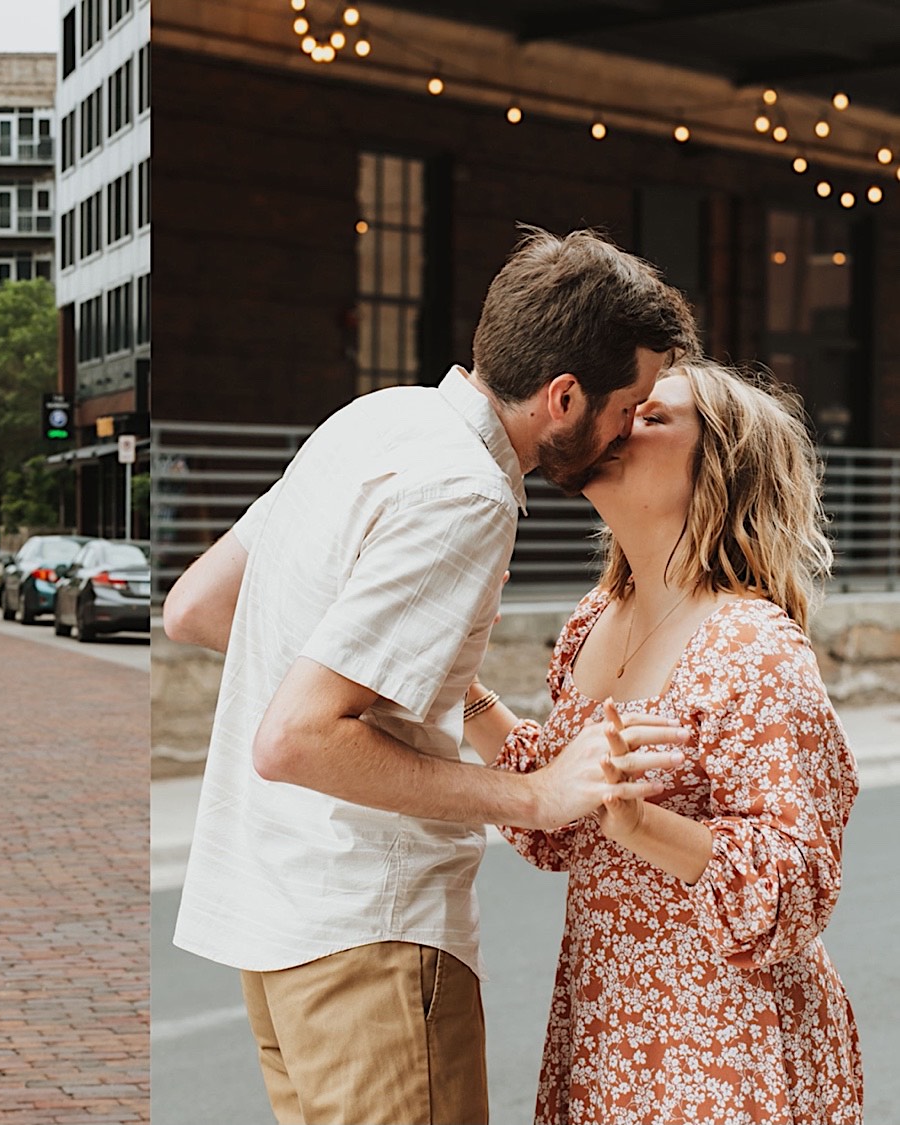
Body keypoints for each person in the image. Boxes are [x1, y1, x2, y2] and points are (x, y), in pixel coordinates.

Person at [162, 226, 701, 1125]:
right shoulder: (470, 492)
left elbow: (198, 607)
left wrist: (428, 683)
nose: (625, 428)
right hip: (372, 934)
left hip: (279, 927)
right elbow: (296, 736)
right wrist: (534, 794)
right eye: (627, 403)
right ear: (563, 396)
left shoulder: (372, 419)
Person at [465, 361, 862, 1124]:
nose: (617, 423)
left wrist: (642, 823)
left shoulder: (751, 648)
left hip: (721, 1037)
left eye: (652, 417)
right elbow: (557, 823)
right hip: (611, 1021)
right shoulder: (595, 617)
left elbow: (797, 884)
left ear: (716, 466)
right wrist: (466, 686)